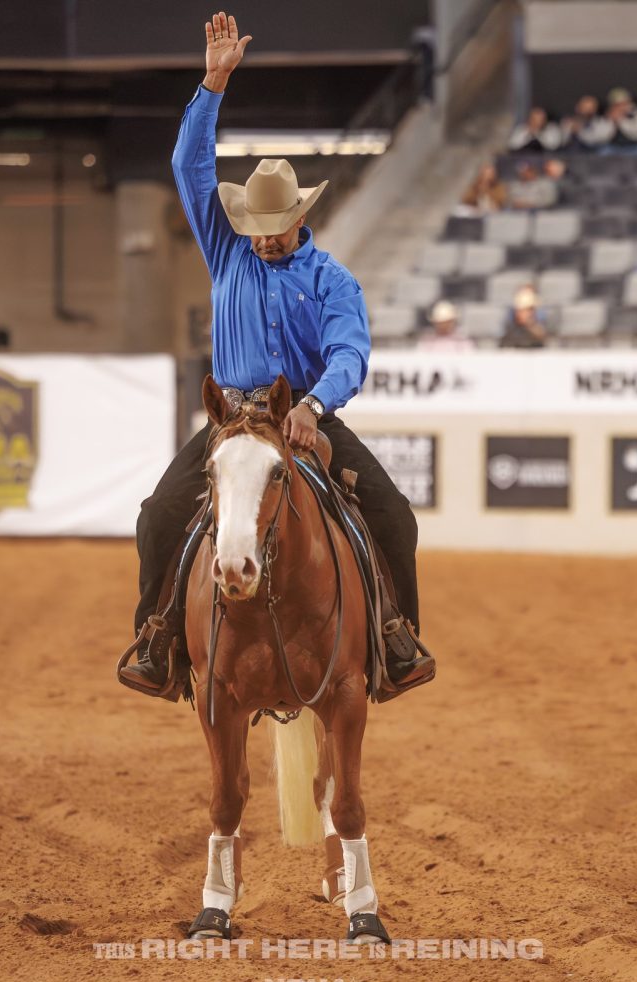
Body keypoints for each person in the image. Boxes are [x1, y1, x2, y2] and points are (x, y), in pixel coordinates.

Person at [120, 12, 434, 697]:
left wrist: (316, 407)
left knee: (392, 518)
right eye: (253, 229)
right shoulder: (226, 250)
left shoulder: (331, 280)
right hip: (232, 421)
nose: (260, 239)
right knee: (159, 518)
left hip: (303, 418)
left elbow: (349, 351)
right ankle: (158, 639)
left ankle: (394, 635)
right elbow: (187, 166)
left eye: (273, 228)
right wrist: (212, 86)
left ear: (298, 219)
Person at [600, 87, 637, 153]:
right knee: (603, 151)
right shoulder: (607, 115)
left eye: (623, 104)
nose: (620, 107)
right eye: (616, 105)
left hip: (635, 146)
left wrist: (621, 120)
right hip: (614, 147)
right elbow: (602, 137)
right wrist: (610, 121)